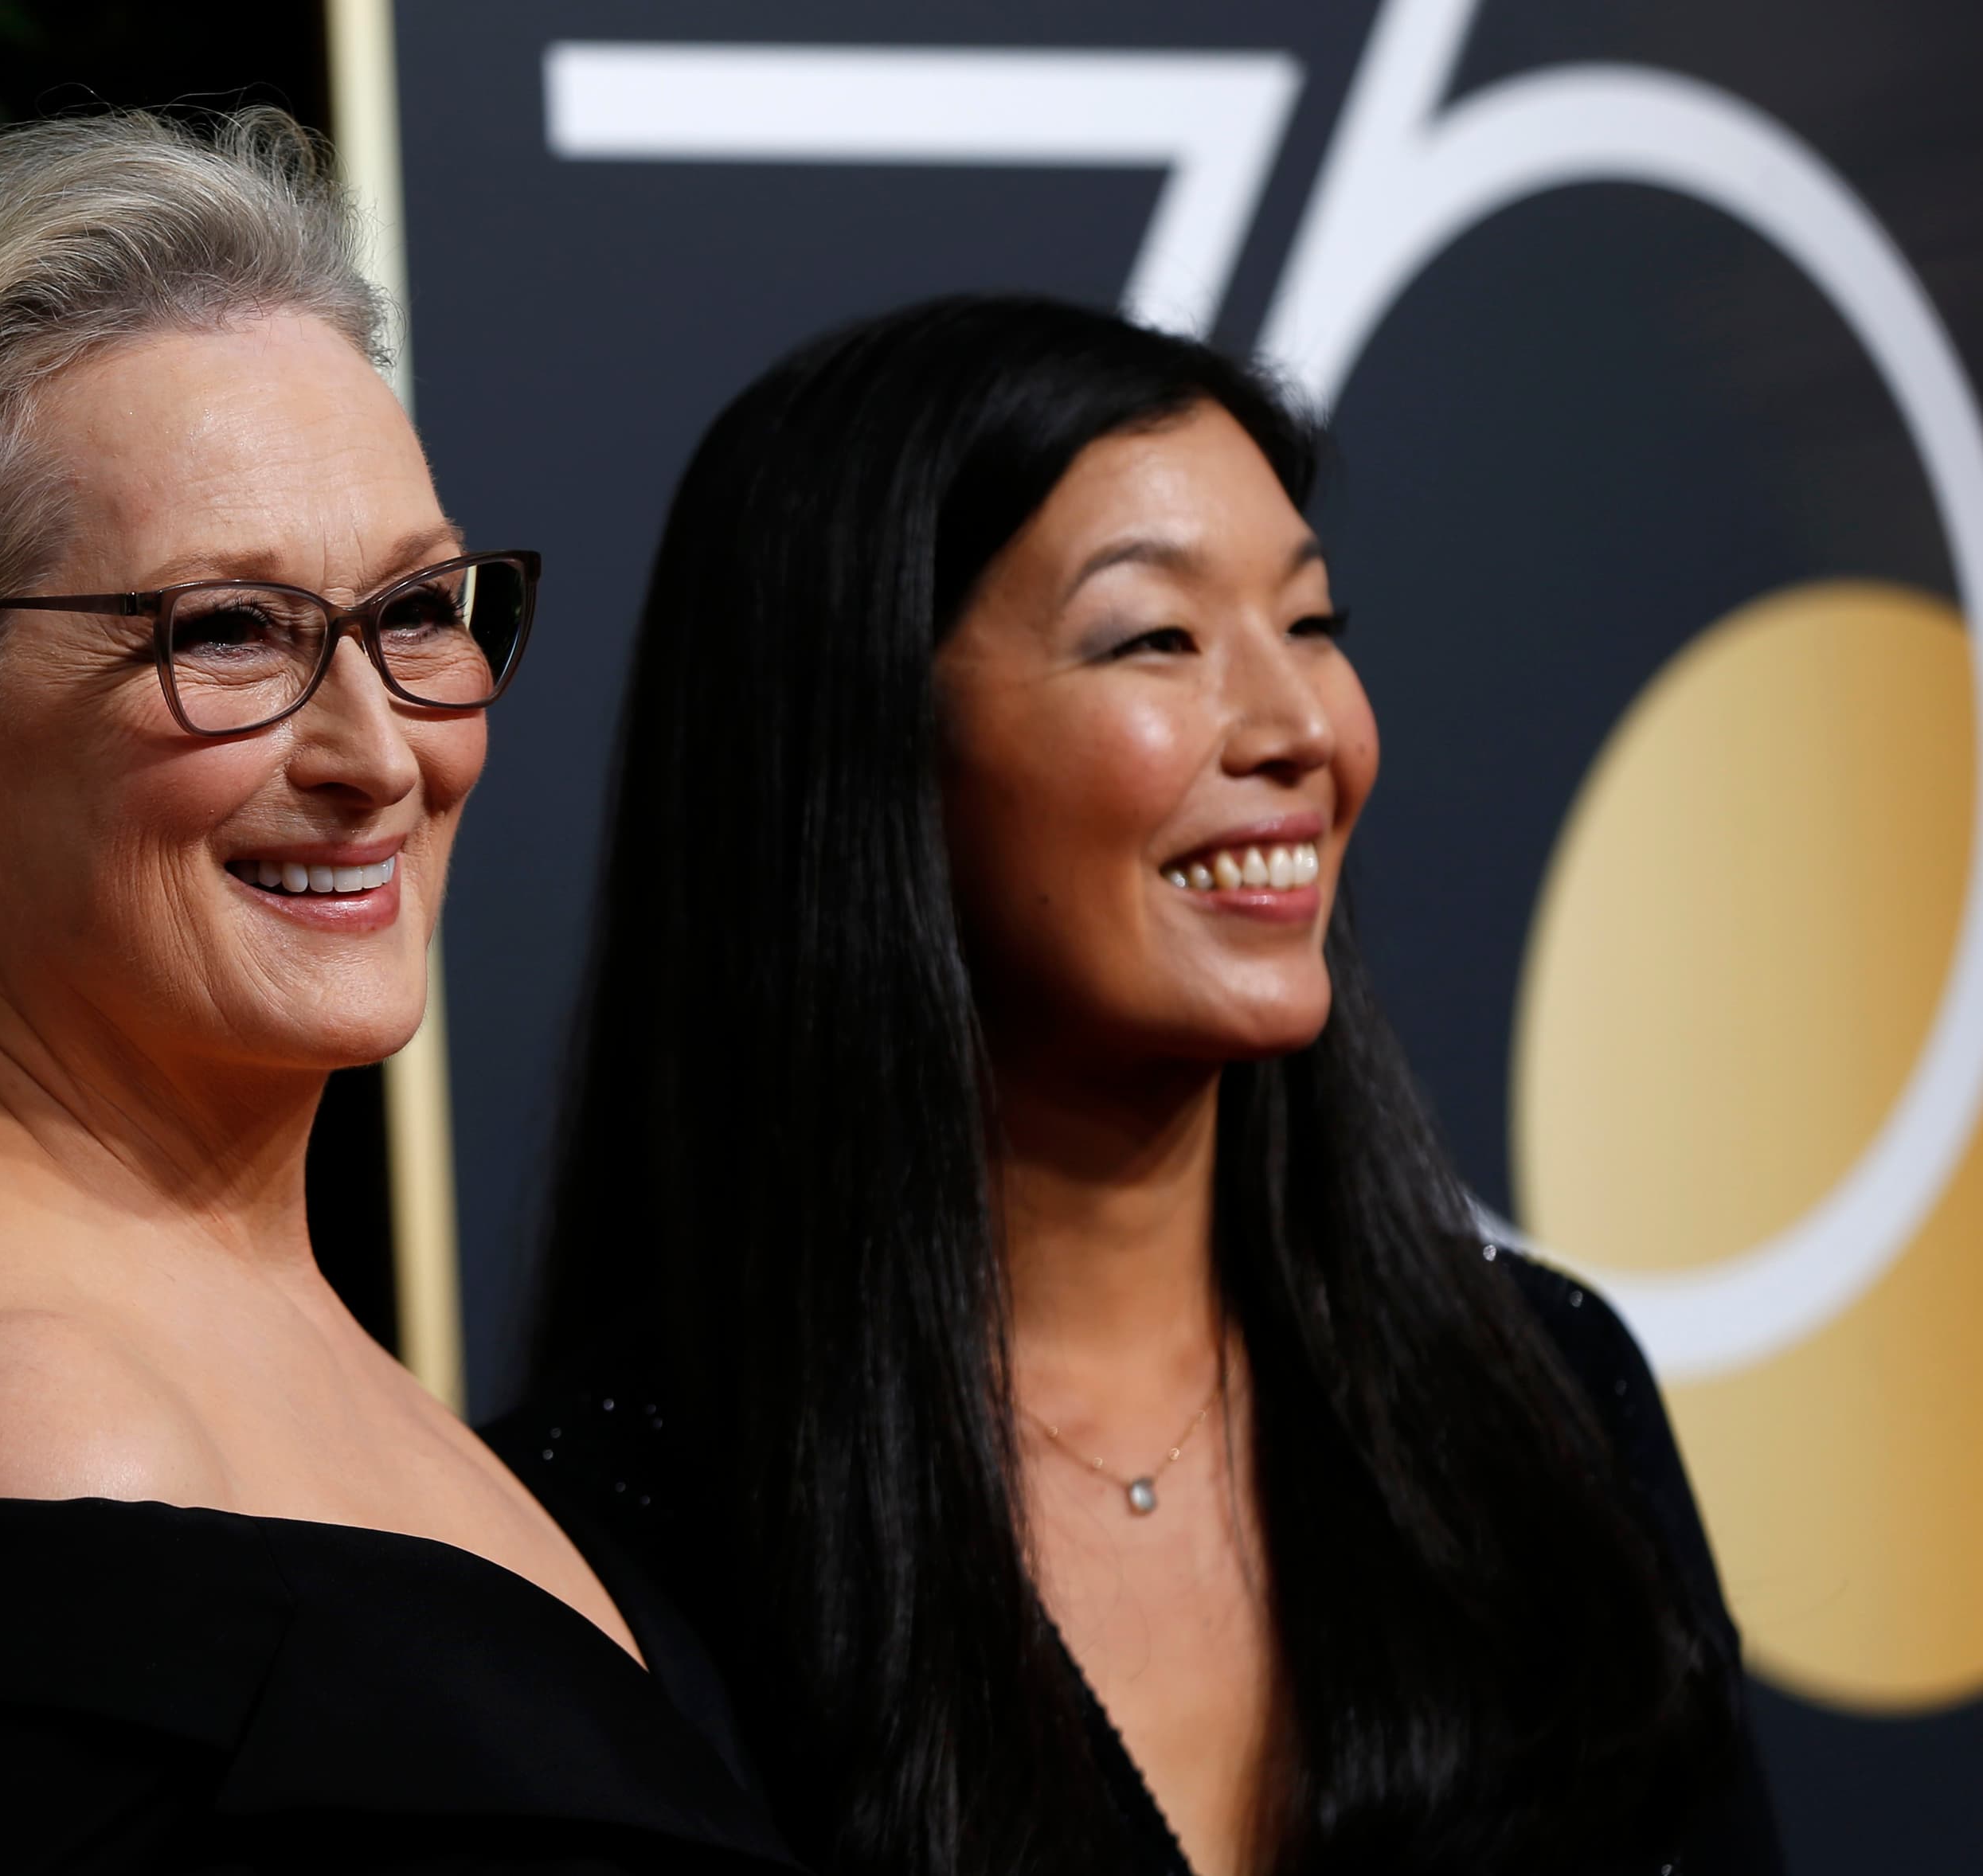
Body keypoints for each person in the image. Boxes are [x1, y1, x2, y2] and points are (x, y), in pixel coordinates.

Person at [0, 112, 796, 1874]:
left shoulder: (241, 1319)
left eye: (414, 607)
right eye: (226, 631)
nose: (377, 752)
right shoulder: (7, 1415)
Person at [505, 296, 1783, 1876]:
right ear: (864, 744)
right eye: (1156, 637)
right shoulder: (605, 1542)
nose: (1302, 727)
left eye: (1313, 625)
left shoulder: (1547, 1395)